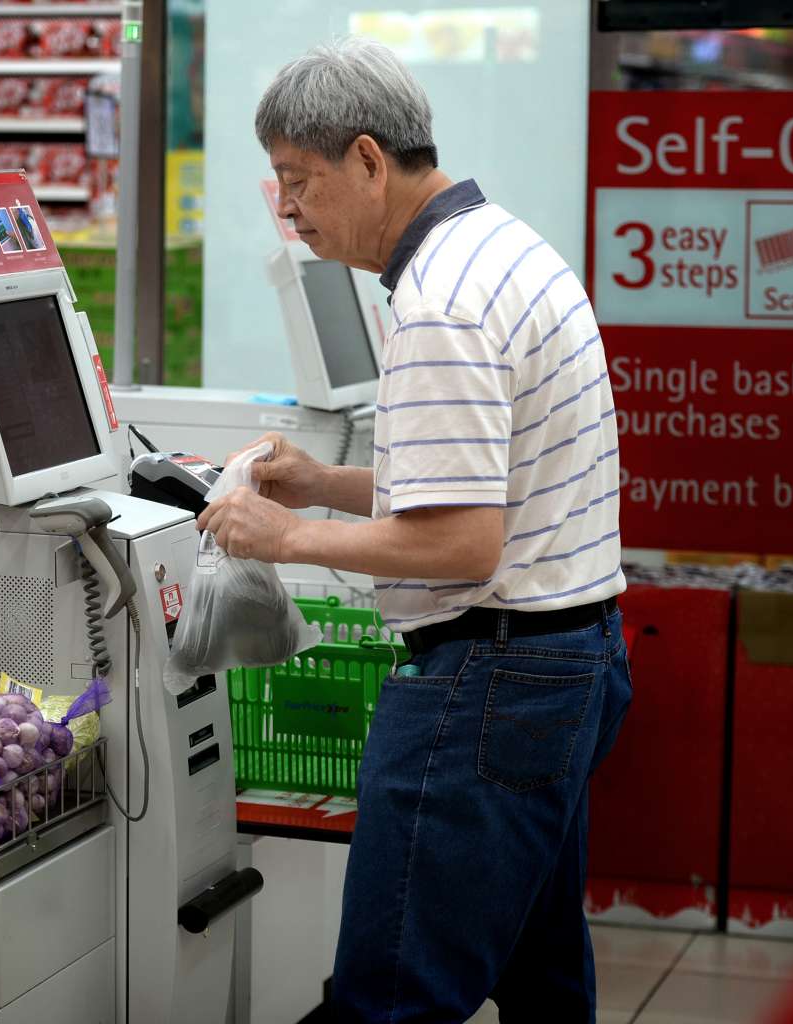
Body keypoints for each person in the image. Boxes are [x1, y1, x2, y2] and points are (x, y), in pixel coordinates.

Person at [198, 39, 632, 1022]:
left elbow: (460, 547)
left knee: (391, 994)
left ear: (365, 160)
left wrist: (281, 535)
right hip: (567, 659)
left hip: (490, 684)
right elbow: (476, 490)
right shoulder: (498, 245)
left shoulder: (440, 302)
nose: (287, 208)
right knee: (542, 975)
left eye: (297, 179)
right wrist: (323, 483)